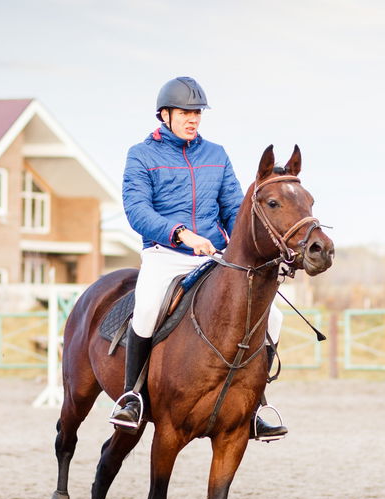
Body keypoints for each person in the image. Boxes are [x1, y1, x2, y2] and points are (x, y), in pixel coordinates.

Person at [109, 76, 286, 438]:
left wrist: (247, 248)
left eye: (197, 113)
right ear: (165, 115)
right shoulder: (141, 155)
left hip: (213, 255)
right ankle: (132, 398)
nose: (193, 119)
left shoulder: (216, 155)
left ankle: (254, 404)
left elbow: (234, 209)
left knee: (276, 318)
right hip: (166, 253)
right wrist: (179, 234)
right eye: (185, 112)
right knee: (145, 309)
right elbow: (137, 210)